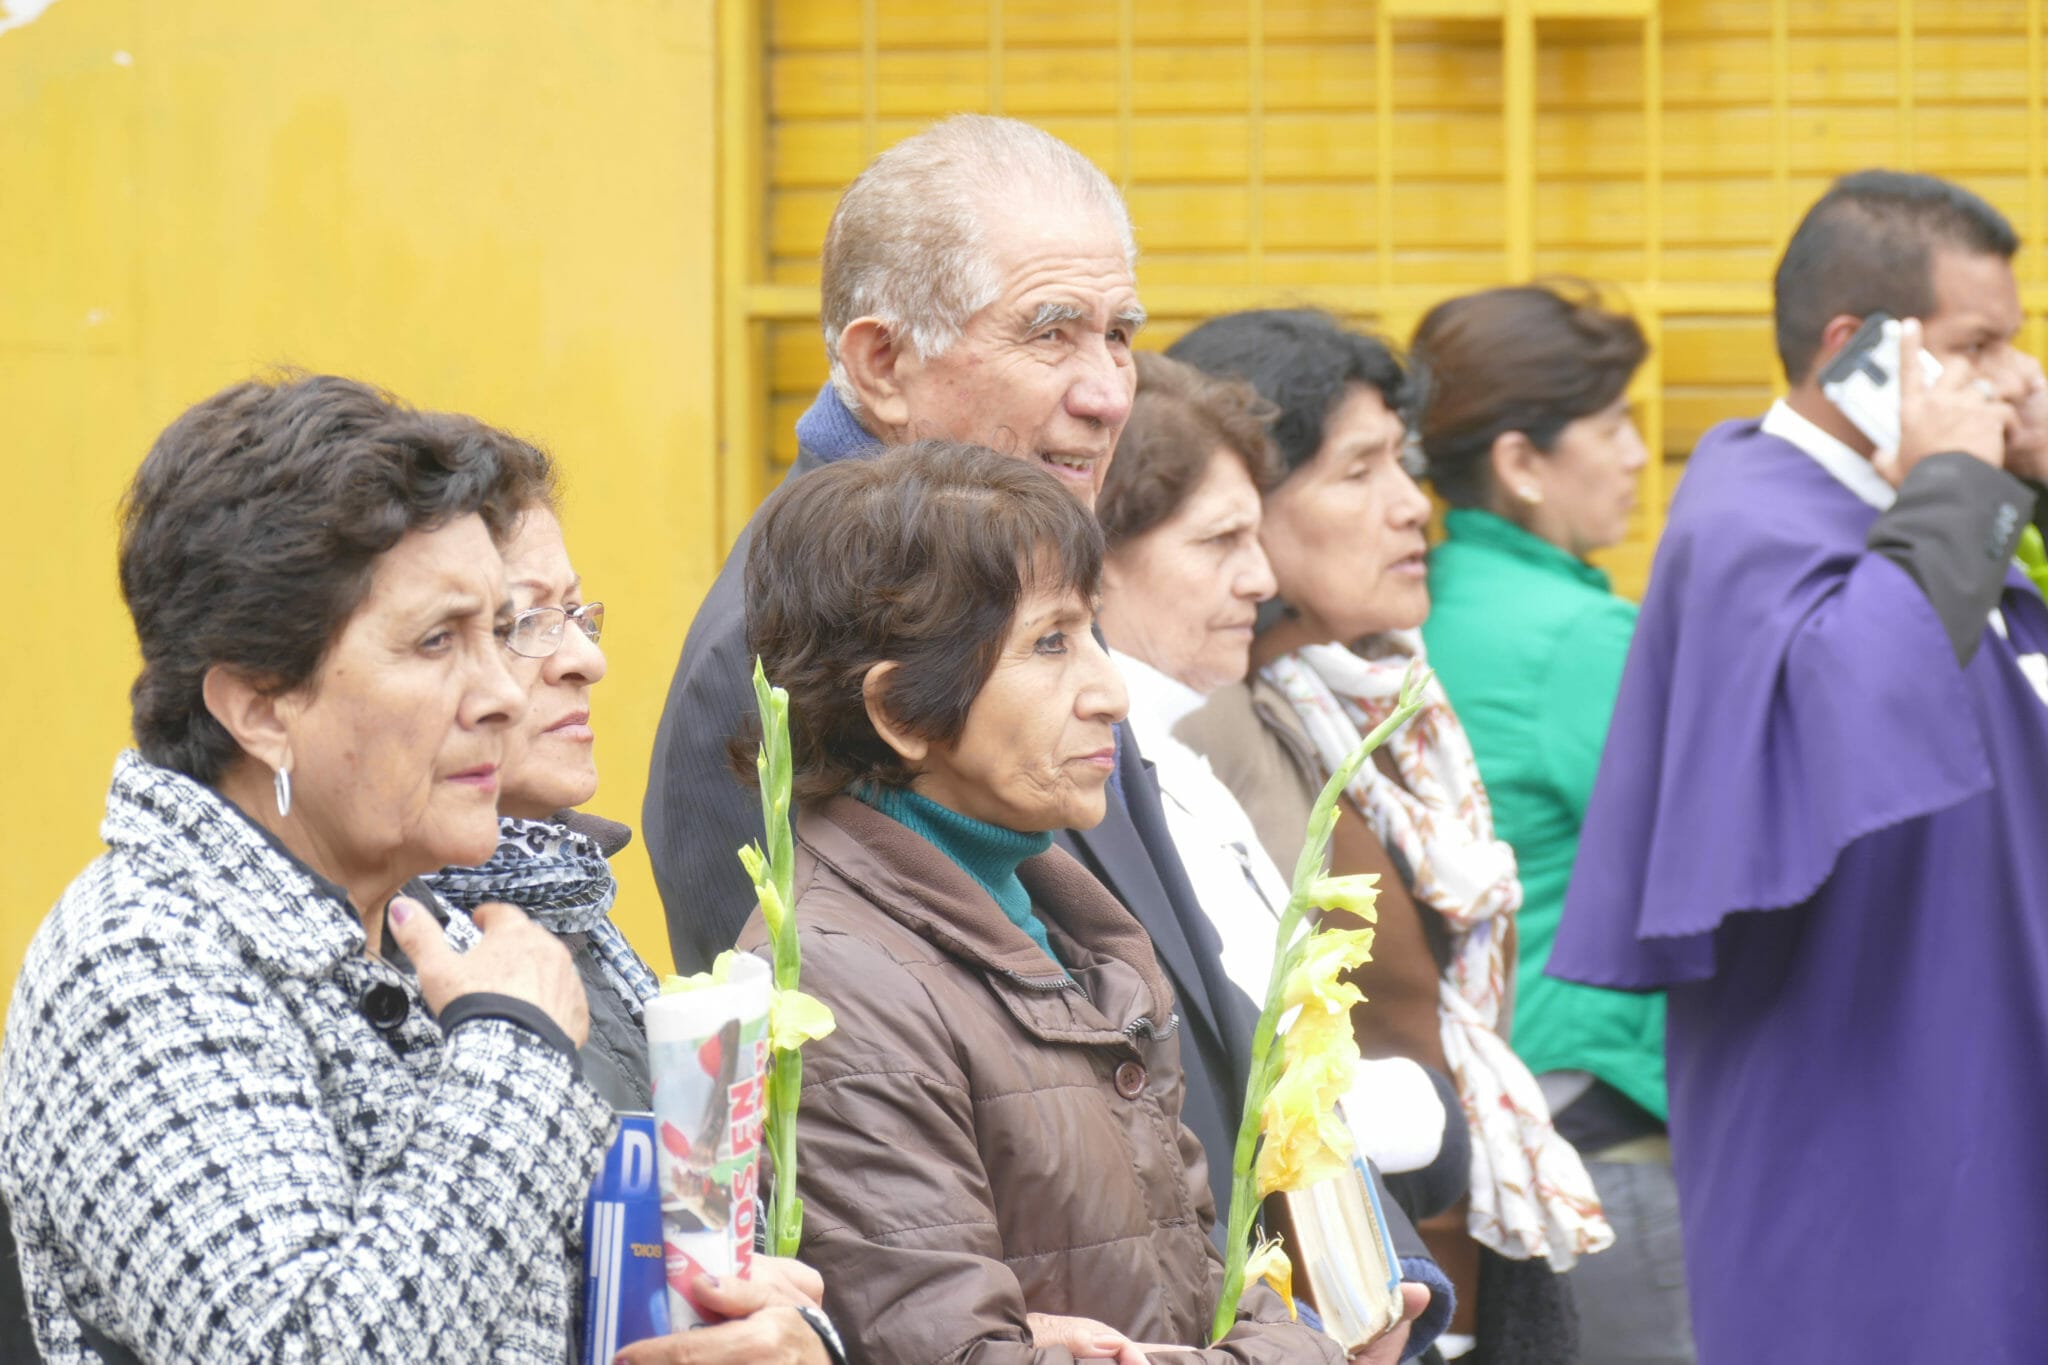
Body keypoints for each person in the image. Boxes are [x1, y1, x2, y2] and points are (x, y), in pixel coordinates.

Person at [639, 115, 1420, 1269]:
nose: (1109, 392)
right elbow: (834, 1157)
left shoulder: (1016, 562)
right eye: (1050, 334)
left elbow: (1187, 996)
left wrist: (1370, 1274)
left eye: (1119, 334)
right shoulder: (779, 648)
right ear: (878, 364)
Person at [736, 439, 1434, 1365]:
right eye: (1052, 643)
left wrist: (1287, 1327)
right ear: (902, 711)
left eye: (1092, 633)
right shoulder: (838, 980)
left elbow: (1189, 1272)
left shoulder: (1071, 923)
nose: (1108, 689)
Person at [0, 375, 609, 1362]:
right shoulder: (139, 969)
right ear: (260, 708)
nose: (503, 691)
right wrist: (513, 1054)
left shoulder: (435, 936)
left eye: (497, 632)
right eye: (436, 641)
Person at [1549, 170, 2048, 1362]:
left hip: (1973, 1062)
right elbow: (1854, 717)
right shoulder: (1747, 516)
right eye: (1975, 344)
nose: (2013, 375)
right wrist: (1962, 483)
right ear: (1856, 351)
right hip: (1867, 1120)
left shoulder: (1928, 506)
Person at [1171, 312, 1610, 1365]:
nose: (1412, 507)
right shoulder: (1197, 739)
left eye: (1401, 464)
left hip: (1442, 1279)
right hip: (1344, 1313)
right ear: (1239, 504)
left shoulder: (1360, 706)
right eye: (1357, 470)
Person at [416, 442, 844, 1365]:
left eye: (576, 613)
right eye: (523, 623)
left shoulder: (568, 901)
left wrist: (801, 1334)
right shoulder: (412, 943)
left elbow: (704, 1266)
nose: (587, 659)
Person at [1098, 350, 1467, 1221]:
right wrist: (1424, 1115)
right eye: (1219, 540)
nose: (1259, 578)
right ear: (1095, 557)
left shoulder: (1174, 747)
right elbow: (1231, 1088)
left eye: (1254, 538)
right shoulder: (1104, 783)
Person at [1408, 285, 1691, 1364]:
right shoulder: (1581, 637)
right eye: (1612, 425)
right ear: (1522, 462)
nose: (1634, 457)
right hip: (1600, 1139)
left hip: (1475, 1129)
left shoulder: (1406, 599)